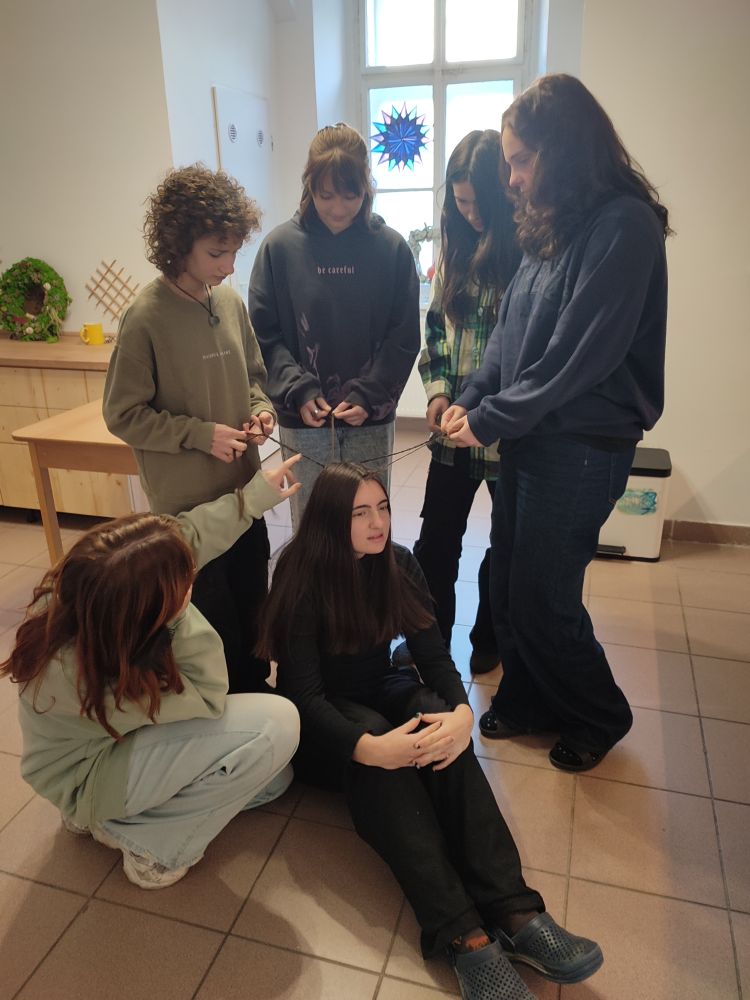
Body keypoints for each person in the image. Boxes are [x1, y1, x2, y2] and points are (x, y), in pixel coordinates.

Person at [257, 463, 603, 1000]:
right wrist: (368, 749)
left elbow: (433, 656)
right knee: (384, 748)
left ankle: (511, 906)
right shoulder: (300, 572)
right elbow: (304, 695)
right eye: (361, 513)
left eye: (383, 508)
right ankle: (460, 932)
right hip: (321, 724)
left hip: (377, 686)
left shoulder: (397, 562)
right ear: (329, 519)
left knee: (432, 715)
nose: (378, 523)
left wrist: (461, 715)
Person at [443, 74, 670, 772]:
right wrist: (472, 394)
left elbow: (578, 357)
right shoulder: (550, 223)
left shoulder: (624, 226)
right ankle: (532, 698)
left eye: (520, 160)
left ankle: (599, 713)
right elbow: (510, 335)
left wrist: (491, 417)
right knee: (510, 586)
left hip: (581, 446)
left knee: (544, 596)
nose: (510, 178)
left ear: (564, 151)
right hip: (534, 435)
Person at [1, 457, 302, 889]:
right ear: (144, 611)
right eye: (181, 581)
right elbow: (208, 694)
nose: (190, 576)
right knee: (277, 726)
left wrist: (254, 497)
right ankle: (150, 850)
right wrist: (180, 613)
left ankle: (116, 815)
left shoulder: (92, 590)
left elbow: (185, 536)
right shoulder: (82, 669)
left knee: (274, 781)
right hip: (84, 773)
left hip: (99, 741)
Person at [104, 164, 275, 694]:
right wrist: (202, 435)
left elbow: (254, 377)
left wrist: (260, 412)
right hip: (189, 514)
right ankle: (230, 716)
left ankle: (262, 704)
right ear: (178, 245)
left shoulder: (229, 302)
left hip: (246, 494)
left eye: (234, 252)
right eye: (216, 253)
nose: (228, 266)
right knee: (212, 633)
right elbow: (122, 415)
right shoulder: (145, 318)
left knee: (255, 615)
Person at [248, 123, 420, 528]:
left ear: (367, 188)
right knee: (313, 528)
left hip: (369, 418)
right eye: (326, 195)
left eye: (350, 195)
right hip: (304, 418)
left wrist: (370, 395)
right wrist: (298, 389)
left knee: (367, 526)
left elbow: (403, 337)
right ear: (309, 185)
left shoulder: (391, 248)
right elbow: (263, 335)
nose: (339, 208)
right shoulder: (280, 248)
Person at [393, 130, 521, 676]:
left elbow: (520, 354)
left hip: (507, 429)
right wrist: (439, 391)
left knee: (506, 543)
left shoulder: (526, 253)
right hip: (453, 427)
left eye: (479, 203)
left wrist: (480, 408)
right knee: (437, 541)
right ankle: (431, 641)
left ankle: (489, 637)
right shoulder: (455, 250)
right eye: (461, 202)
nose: (471, 214)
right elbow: (435, 331)